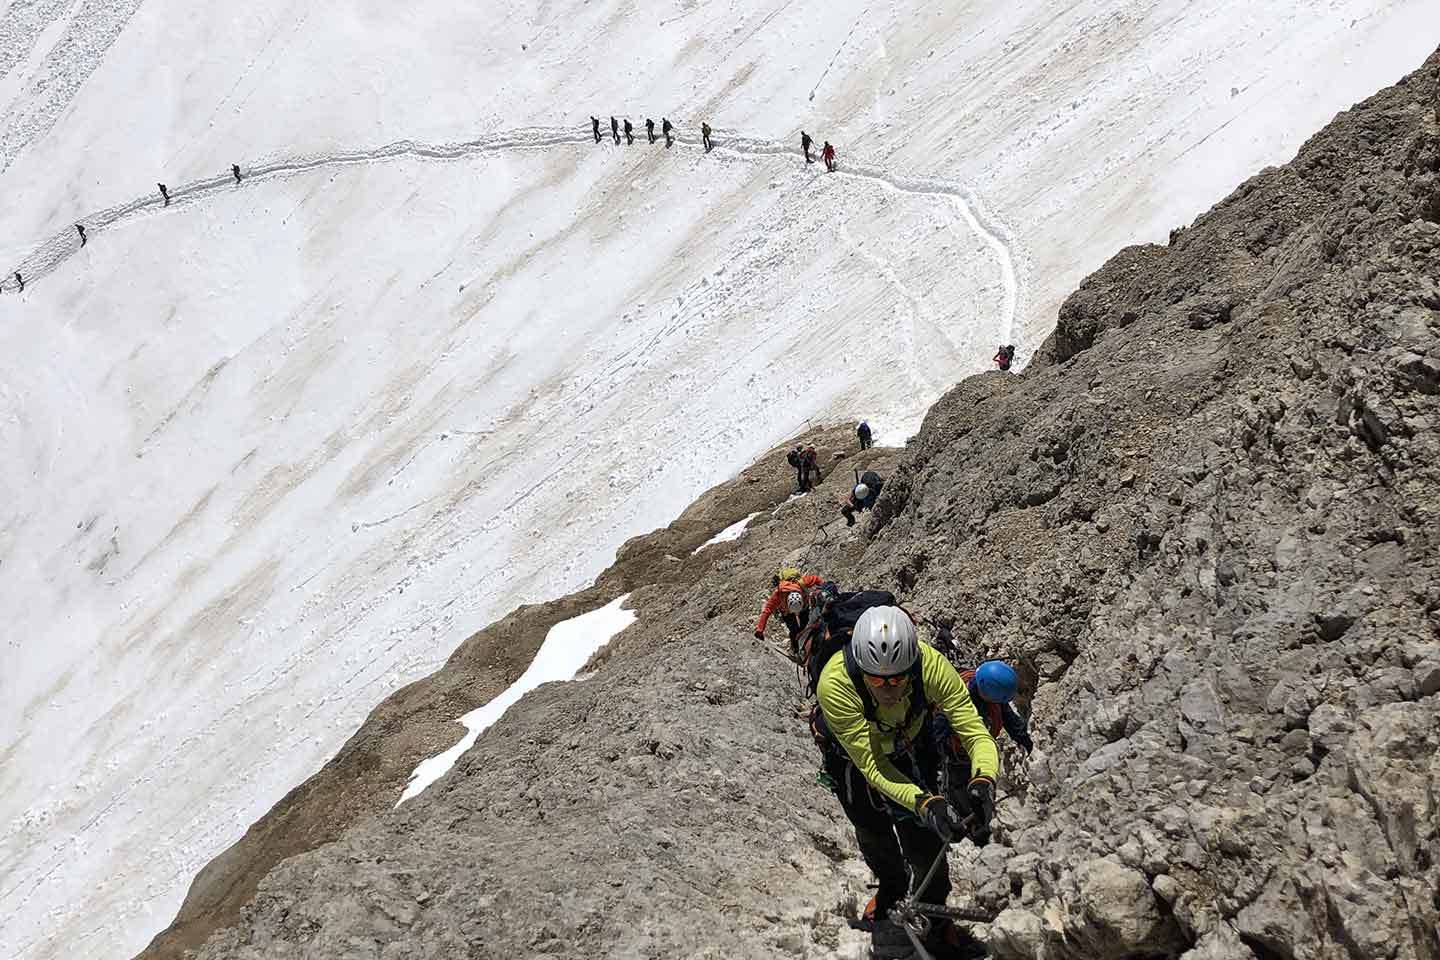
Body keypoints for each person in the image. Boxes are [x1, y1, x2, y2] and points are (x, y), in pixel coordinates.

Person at [814, 606, 998, 958]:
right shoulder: (835, 684)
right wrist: (924, 802)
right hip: (854, 760)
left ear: (911, 666)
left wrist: (984, 778)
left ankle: (933, 916)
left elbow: (975, 731)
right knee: (873, 831)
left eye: (898, 679)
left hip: (913, 743)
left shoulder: (930, 665)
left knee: (926, 845)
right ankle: (891, 887)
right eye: (878, 679)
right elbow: (872, 763)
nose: (889, 687)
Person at [959, 661, 1034, 754]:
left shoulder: (988, 685)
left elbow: (1008, 718)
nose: (998, 703)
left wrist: (1026, 741)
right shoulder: (960, 702)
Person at [754, 572, 825, 644]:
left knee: (805, 627)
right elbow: (767, 610)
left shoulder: (803, 582)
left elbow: (816, 579)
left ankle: (806, 644)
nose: (796, 614)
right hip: (786, 611)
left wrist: (823, 589)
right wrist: (760, 630)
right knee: (794, 630)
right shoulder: (778, 595)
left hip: (803, 607)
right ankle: (795, 648)